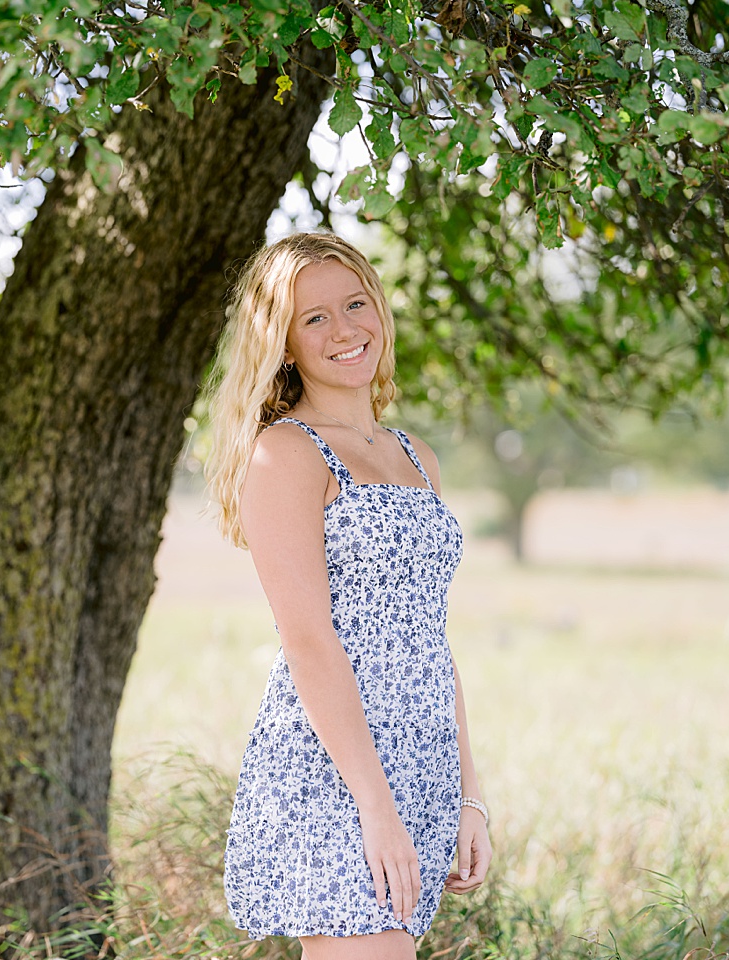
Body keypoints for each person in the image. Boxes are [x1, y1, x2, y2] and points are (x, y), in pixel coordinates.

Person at [204, 232, 491, 959]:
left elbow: (431, 637)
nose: (345, 329)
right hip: (338, 772)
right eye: (315, 318)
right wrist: (374, 805)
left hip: (420, 763)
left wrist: (469, 794)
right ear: (285, 344)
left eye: (355, 304)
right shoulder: (287, 453)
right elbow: (308, 640)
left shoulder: (413, 454)